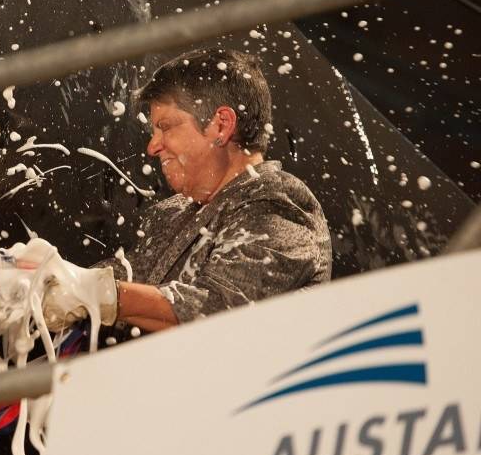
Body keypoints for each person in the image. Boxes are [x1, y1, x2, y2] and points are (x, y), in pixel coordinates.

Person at [43, 48, 332, 332]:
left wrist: (101, 294)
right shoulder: (170, 214)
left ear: (221, 125)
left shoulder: (280, 201)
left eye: (166, 127)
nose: (152, 146)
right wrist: (42, 281)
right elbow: (122, 278)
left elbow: (220, 308)